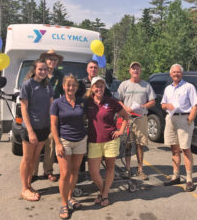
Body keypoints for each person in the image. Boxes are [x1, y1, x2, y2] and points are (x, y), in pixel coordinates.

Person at [86, 76, 128, 207]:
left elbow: (126, 116)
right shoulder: (87, 102)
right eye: (96, 86)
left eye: (101, 86)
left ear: (104, 87)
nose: (99, 88)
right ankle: (103, 190)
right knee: (93, 172)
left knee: (110, 168)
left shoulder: (111, 101)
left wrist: (121, 131)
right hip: (94, 141)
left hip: (111, 140)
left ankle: (104, 194)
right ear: (92, 88)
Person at [50, 74, 87, 219]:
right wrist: (58, 143)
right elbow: (53, 125)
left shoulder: (81, 102)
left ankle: (70, 197)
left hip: (80, 140)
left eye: (74, 85)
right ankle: (64, 204)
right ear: (64, 86)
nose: (71, 87)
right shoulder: (57, 103)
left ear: (77, 87)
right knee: (64, 173)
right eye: (68, 85)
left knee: (74, 171)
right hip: (64, 140)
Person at [161, 63, 197, 192]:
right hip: (171, 119)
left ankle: (189, 180)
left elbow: (195, 105)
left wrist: (189, 120)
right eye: (174, 72)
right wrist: (167, 106)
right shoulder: (168, 89)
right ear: (170, 74)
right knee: (174, 149)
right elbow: (162, 104)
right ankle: (176, 176)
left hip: (184, 119)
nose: (176, 74)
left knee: (185, 149)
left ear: (182, 74)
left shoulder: (189, 87)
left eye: (178, 72)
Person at [19, 59, 54, 201]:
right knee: (27, 159)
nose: (43, 72)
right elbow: (24, 108)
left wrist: (53, 125)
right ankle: (24, 189)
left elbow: (52, 105)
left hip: (44, 128)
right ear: (34, 70)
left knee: (34, 158)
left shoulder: (47, 84)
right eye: (40, 69)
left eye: (45, 69)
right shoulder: (27, 85)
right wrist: (30, 131)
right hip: (30, 129)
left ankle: (29, 185)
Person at [117, 62, 156, 180]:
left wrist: (143, 106)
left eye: (137, 69)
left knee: (140, 144)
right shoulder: (124, 85)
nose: (135, 71)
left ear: (140, 71)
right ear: (130, 71)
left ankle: (140, 169)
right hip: (127, 119)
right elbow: (118, 100)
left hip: (141, 119)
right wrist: (125, 108)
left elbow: (153, 101)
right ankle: (127, 169)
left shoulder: (146, 85)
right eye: (133, 69)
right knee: (128, 144)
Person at [33, 49, 64, 182]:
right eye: (50, 59)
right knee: (35, 144)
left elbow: (65, 93)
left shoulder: (60, 75)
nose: (52, 61)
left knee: (51, 141)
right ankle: (33, 172)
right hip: (38, 114)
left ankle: (48, 171)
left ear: (57, 62)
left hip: (53, 115)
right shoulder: (38, 75)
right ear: (45, 60)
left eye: (55, 59)